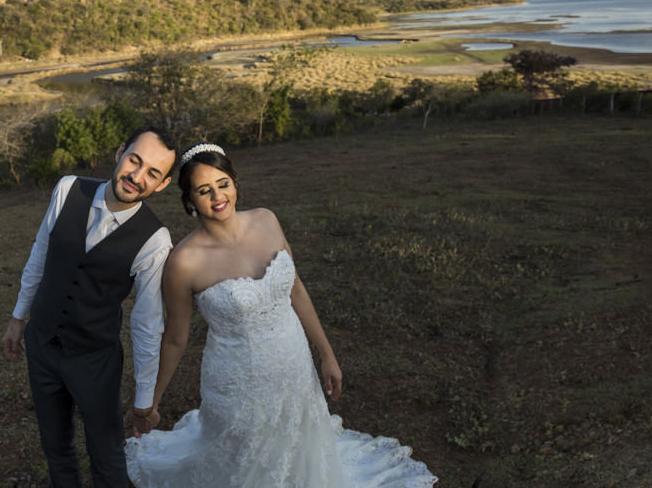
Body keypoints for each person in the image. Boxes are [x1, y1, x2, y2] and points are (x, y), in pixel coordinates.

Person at [125, 143, 438, 487]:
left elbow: (297, 290)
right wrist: (149, 403)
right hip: (237, 385)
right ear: (189, 201)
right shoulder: (184, 261)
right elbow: (175, 338)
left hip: (293, 366)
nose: (217, 196)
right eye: (203, 190)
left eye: (223, 183)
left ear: (235, 182)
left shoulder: (266, 220)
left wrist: (327, 354)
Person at [2, 126, 178, 487]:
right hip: (42, 344)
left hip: (95, 361)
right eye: (135, 160)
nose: (136, 176)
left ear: (162, 185)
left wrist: (144, 400)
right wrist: (19, 316)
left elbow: (147, 323)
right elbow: (40, 253)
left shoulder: (155, 241)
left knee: (107, 456)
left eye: (152, 173)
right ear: (119, 153)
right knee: (55, 446)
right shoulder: (68, 188)